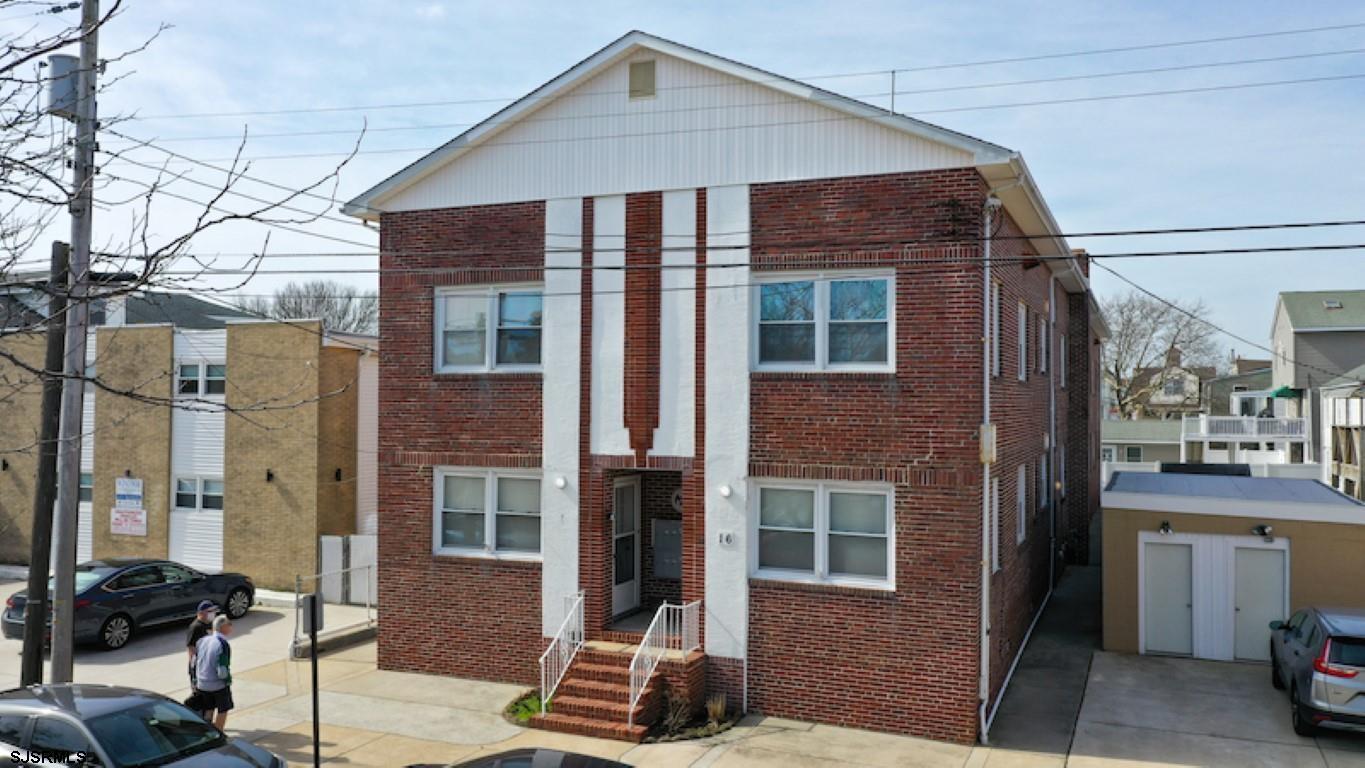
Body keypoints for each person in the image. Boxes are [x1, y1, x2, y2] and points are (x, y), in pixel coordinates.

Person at [194, 615, 234, 729]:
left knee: (208, 709)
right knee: (223, 710)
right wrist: (227, 681)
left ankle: (208, 732)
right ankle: (219, 732)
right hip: (217, 685)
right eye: (229, 624)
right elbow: (222, 670)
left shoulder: (202, 640)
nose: (231, 627)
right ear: (224, 627)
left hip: (202, 683)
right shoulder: (222, 644)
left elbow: (194, 661)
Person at [186, 601, 217, 718]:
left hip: (208, 667)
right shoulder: (195, 627)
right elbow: (191, 649)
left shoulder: (209, 625)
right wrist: (195, 670)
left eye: (213, 611)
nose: (213, 614)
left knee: (209, 700)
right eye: (210, 612)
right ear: (201, 613)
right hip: (199, 669)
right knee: (200, 699)